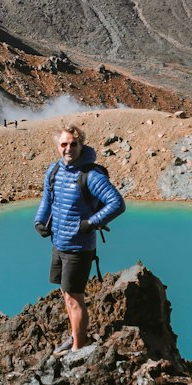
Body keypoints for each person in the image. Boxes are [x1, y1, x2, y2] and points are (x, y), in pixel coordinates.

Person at [34, 123, 125, 353]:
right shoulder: (54, 171)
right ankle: (75, 335)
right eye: (64, 144)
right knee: (66, 294)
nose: (68, 148)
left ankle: (77, 348)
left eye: (73, 144)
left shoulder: (91, 175)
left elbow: (117, 203)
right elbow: (48, 200)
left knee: (75, 298)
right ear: (58, 146)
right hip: (59, 243)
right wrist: (39, 221)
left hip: (79, 248)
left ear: (81, 145)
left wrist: (89, 223)